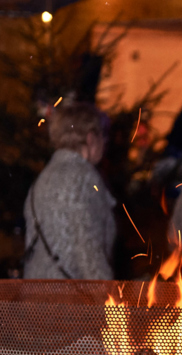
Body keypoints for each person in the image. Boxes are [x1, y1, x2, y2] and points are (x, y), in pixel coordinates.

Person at [23, 103, 116, 280]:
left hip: (36, 295)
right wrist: (109, 300)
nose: (105, 143)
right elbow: (89, 252)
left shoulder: (42, 179)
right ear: (91, 138)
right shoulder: (85, 177)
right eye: (103, 136)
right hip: (72, 300)